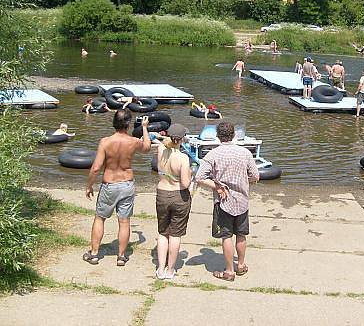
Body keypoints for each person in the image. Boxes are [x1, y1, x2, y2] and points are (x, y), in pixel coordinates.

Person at [83, 110, 151, 266]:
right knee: (124, 221)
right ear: (128, 124)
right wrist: (145, 127)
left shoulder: (105, 142)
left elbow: (96, 168)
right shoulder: (133, 141)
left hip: (110, 184)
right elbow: (147, 147)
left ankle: (94, 254)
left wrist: (89, 185)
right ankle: (121, 256)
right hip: (127, 183)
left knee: (100, 218)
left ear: (114, 122)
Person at [196, 122, 259, 281]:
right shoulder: (245, 153)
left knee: (226, 236)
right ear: (234, 135)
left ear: (218, 136)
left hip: (223, 202)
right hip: (242, 200)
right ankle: (241, 265)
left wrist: (216, 185)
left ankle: (229, 271)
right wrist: (245, 181)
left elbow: (199, 178)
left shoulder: (212, 155)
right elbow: (255, 176)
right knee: (241, 235)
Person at [155, 124, 192, 280]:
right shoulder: (183, 158)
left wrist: (165, 137)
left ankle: (160, 268)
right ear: (182, 139)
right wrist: (190, 174)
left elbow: (161, 141)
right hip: (178, 195)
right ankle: (170, 270)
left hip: (162, 193)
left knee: (163, 233)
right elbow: (185, 183)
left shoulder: (160, 150)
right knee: (175, 234)